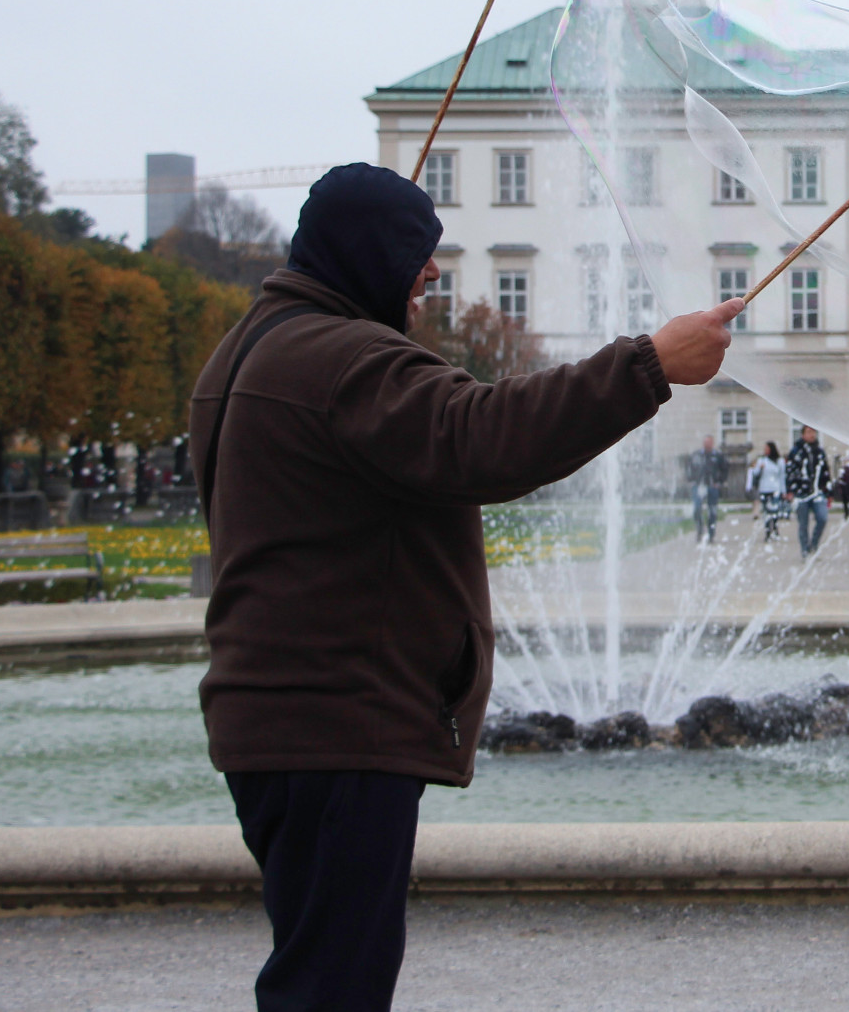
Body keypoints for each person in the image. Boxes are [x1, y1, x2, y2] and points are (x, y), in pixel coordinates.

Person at [192, 163, 739, 1012]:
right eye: (417, 250)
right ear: (369, 252)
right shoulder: (344, 359)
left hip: (280, 719)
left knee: (319, 962)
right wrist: (649, 365)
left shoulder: (250, 350)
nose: (434, 274)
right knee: (333, 985)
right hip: (339, 723)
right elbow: (483, 437)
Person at [785, 425, 831, 558]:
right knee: (803, 523)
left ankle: (814, 544)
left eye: (814, 432)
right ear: (803, 434)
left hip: (817, 492)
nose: (812, 435)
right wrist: (790, 490)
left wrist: (829, 492)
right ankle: (805, 549)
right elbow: (789, 472)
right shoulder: (796, 451)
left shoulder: (819, 452)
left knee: (822, 518)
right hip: (801, 493)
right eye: (809, 432)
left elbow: (825, 472)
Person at [684, 435, 727, 543]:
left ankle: (711, 534)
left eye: (709, 443)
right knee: (697, 508)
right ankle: (699, 529)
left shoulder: (717, 456)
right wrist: (691, 481)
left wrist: (720, 482)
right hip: (699, 486)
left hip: (712, 486)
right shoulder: (697, 455)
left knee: (712, 511)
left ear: (712, 444)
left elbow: (725, 469)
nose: (707, 444)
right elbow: (689, 467)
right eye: (705, 442)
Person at [746, 440, 787, 541]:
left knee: (775, 510)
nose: (765, 451)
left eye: (767, 449)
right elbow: (754, 473)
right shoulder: (761, 460)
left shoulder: (779, 461)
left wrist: (783, 491)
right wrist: (760, 468)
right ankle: (768, 531)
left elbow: (782, 476)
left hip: (775, 488)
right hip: (764, 489)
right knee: (766, 511)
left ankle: (775, 528)